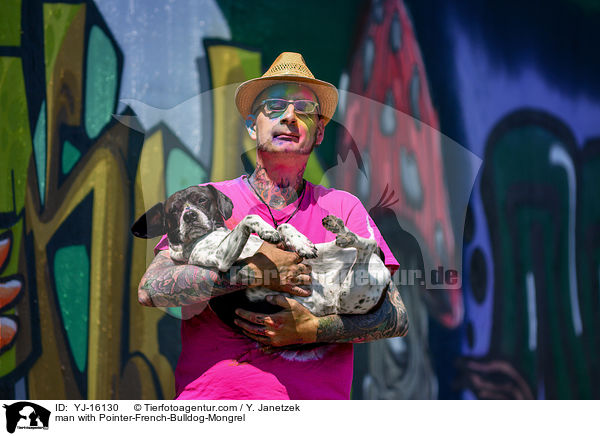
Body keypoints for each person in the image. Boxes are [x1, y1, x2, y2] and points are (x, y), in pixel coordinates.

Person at [138, 52, 408, 399]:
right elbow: (152, 288)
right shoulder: (206, 203)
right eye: (275, 106)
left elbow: (395, 316)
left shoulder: (343, 208)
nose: (290, 116)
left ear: (320, 132)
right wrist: (254, 273)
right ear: (253, 126)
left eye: (305, 110)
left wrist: (313, 329)